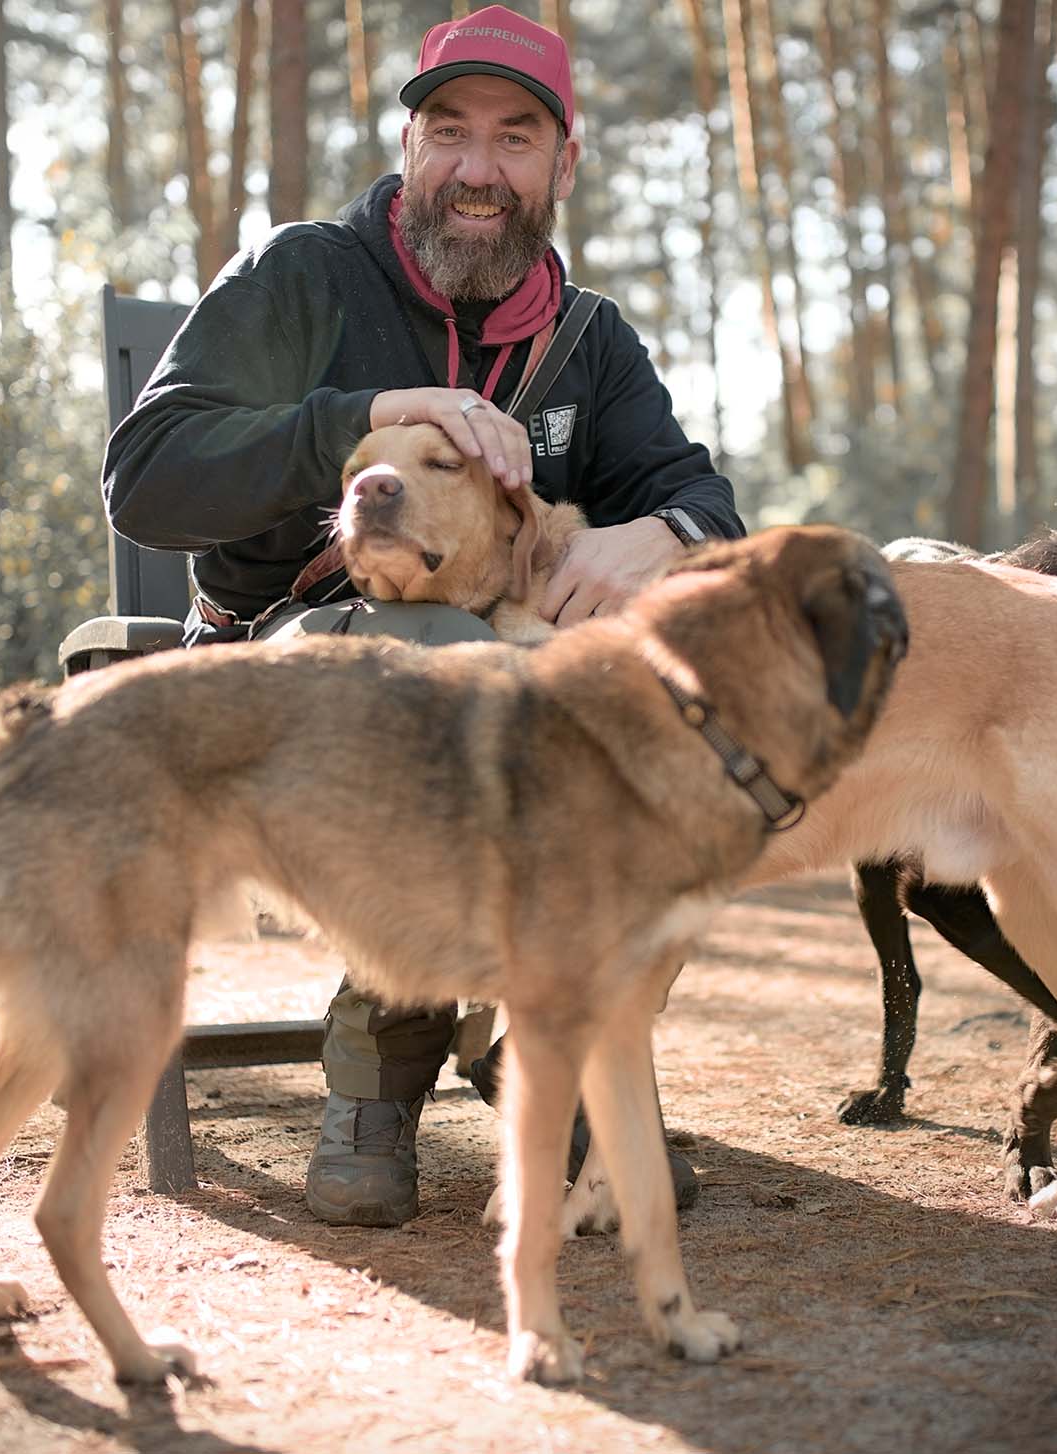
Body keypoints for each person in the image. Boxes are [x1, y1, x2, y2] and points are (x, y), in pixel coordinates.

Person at [101, 5, 743, 1228]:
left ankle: (543, 1037)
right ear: (409, 145)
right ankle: (379, 1077)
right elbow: (148, 478)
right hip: (277, 669)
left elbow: (702, 497)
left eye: (513, 138)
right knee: (458, 671)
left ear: (564, 161)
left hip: (488, 678)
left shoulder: (588, 345)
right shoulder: (303, 275)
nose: (476, 169)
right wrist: (365, 414)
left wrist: (659, 534)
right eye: (448, 131)